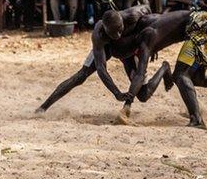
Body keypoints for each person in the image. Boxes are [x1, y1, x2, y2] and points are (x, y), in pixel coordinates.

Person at [36, 6, 167, 113]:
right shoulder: (98, 35)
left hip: (130, 50)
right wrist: (116, 92)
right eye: (113, 33)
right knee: (80, 76)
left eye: (120, 30)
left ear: (122, 21)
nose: (117, 35)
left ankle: (164, 67)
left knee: (143, 95)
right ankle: (44, 107)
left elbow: (153, 17)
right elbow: (101, 69)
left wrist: (153, 46)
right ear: (105, 28)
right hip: (109, 49)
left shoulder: (135, 13)